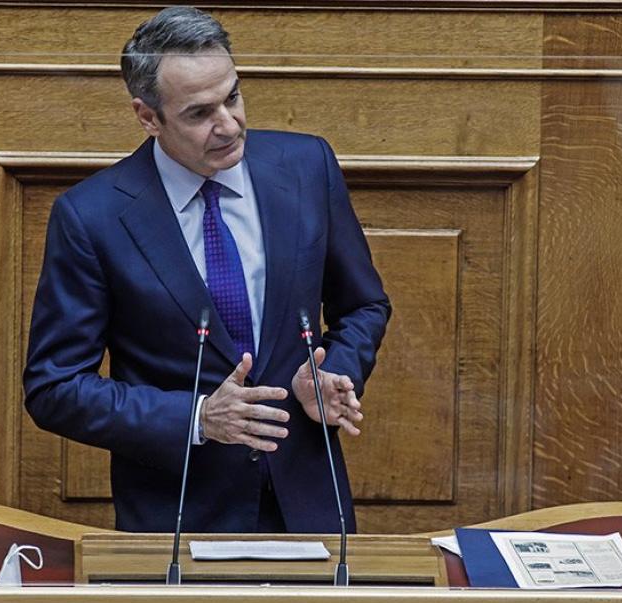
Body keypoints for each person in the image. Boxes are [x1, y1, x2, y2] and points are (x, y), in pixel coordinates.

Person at [23, 6, 390, 534]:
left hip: (310, 507)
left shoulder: (307, 167)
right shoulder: (92, 217)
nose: (229, 125)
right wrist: (196, 418)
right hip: (176, 518)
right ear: (148, 117)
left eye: (233, 97)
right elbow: (55, 388)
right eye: (199, 114)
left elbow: (363, 304)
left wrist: (334, 371)